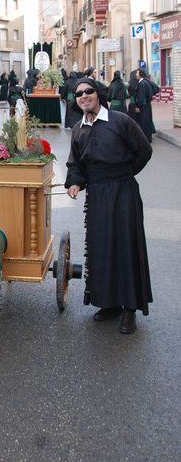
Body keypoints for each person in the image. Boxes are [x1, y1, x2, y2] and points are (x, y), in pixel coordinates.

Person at [65, 77, 153, 334]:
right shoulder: (79, 128)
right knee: (102, 247)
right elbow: (76, 164)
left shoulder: (120, 120)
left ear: (98, 94)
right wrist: (75, 183)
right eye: (79, 94)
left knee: (125, 247)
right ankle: (110, 302)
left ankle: (129, 309)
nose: (84, 96)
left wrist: (123, 175)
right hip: (97, 196)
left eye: (88, 91)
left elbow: (144, 151)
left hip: (123, 192)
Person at [135, 68, 154, 142]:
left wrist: (138, 106)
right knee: (147, 121)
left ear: (140, 74)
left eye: (137, 73)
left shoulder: (142, 83)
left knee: (143, 122)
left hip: (143, 106)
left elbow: (140, 96)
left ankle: (145, 139)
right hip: (146, 105)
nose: (136, 75)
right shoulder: (146, 82)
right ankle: (148, 138)